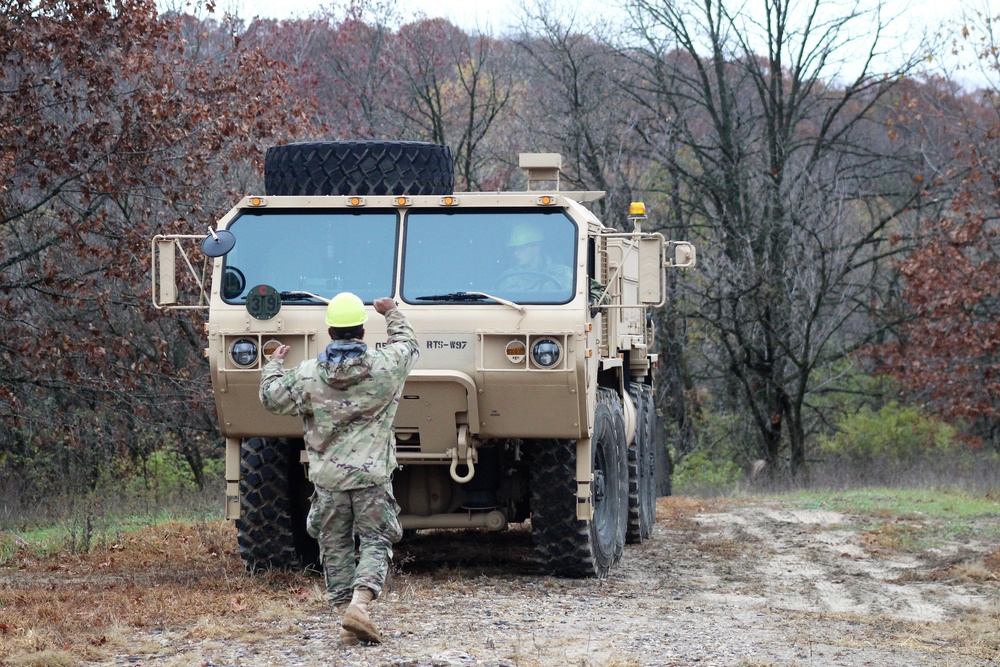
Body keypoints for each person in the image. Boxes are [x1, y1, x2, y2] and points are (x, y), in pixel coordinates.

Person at [258, 292, 419, 645]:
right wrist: (392, 313)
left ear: (329, 332)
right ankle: (359, 606)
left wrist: (272, 363)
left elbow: (270, 397)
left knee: (334, 546)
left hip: (328, 480)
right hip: (371, 477)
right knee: (377, 539)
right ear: (362, 332)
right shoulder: (385, 367)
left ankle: (347, 619)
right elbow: (408, 345)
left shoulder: (307, 375)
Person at [495, 223, 573, 291]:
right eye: (514, 249)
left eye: (521, 248)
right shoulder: (507, 278)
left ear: (536, 249)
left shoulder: (565, 275)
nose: (516, 253)